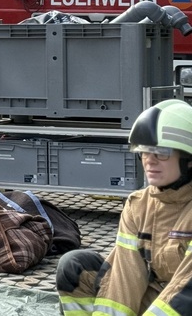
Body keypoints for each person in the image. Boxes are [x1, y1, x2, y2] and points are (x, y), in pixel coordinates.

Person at [56, 99, 192, 315]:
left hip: (181, 304)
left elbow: (185, 290)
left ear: (189, 159)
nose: (149, 161)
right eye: (145, 152)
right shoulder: (138, 205)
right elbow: (126, 275)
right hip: (158, 297)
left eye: (161, 153)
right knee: (75, 267)